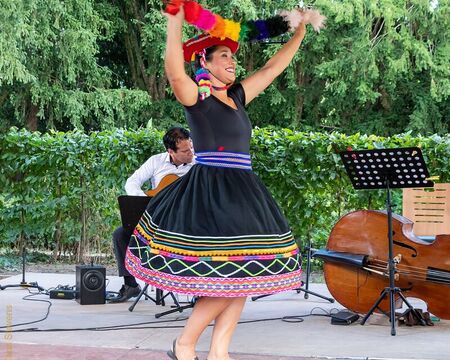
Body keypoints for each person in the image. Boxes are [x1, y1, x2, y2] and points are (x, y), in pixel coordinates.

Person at [125, 3, 324, 360]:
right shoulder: (197, 100)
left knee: (243, 274)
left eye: (233, 56)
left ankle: (219, 351)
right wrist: (175, 23)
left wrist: (299, 33)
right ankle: (185, 344)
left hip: (243, 189)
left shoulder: (237, 97)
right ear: (204, 62)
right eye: (223, 56)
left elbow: (272, 68)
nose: (232, 62)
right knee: (230, 274)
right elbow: (173, 72)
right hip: (211, 193)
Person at [109, 127, 194, 303]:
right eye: (186, 151)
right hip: (157, 222)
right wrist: (147, 201)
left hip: (184, 224)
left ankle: (199, 290)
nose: (191, 153)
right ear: (171, 151)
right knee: (120, 234)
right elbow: (132, 182)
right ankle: (131, 285)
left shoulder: (198, 165)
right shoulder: (156, 162)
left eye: (191, 147)